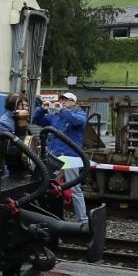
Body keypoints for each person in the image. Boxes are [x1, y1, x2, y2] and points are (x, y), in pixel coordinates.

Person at [33, 91, 89, 226]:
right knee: (45, 185)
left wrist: (61, 110)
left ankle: (83, 220)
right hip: (55, 155)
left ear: (73, 102)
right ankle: (47, 216)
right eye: (62, 99)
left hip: (71, 156)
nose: (63, 101)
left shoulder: (79, 113)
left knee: (74, 189)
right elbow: (37, 120)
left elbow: (78, 121)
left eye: (66, 100)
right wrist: (42, 109)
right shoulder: (56, 115)